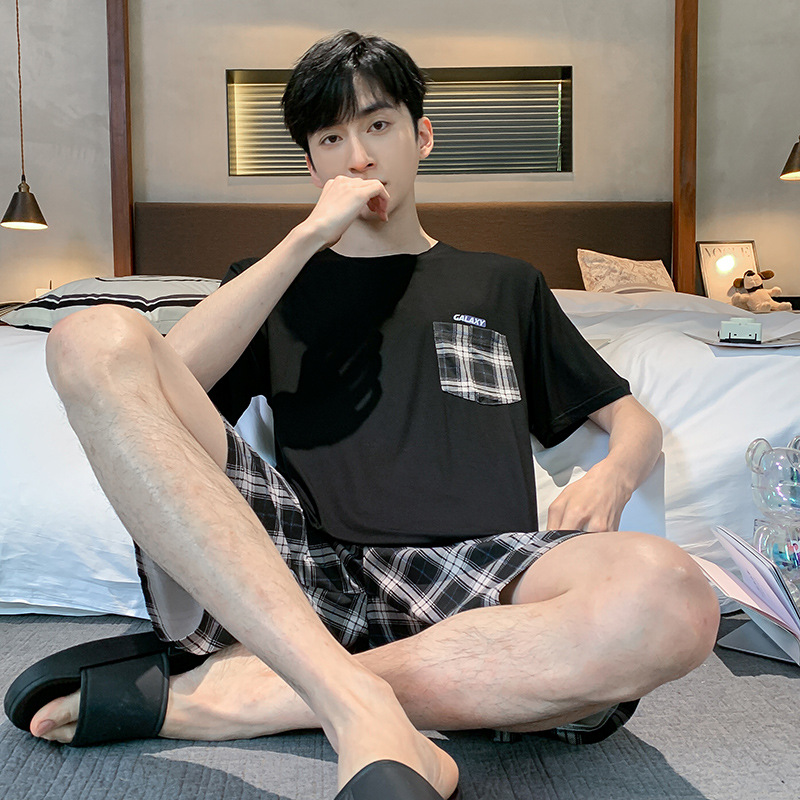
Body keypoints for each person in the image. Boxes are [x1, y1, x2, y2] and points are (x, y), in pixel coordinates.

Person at [11, 30, 719, 800]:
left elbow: (632, 420)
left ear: (422, 136)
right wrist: (305, 240)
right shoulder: (271, 283)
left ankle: (246, 696)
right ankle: (362, 697)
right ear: (310, 166)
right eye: (330, 139)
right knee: (91, 336)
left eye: (378, 125)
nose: (358, 156)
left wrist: (611, 478)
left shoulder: (504, 284)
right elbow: (150, 387)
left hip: (477, 576)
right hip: (298, 572)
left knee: (673, 599)